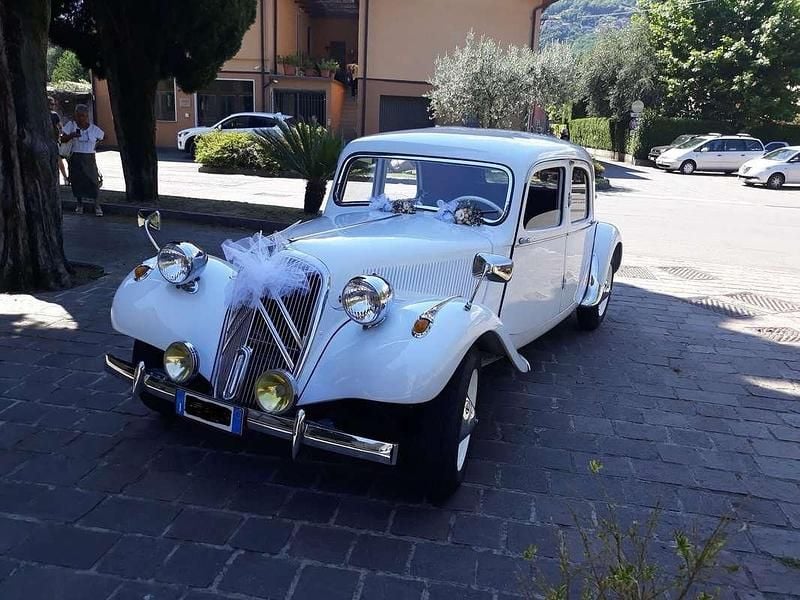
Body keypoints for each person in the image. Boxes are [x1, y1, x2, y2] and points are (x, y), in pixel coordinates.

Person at [61, 104, 104, 216]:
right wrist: (71, 135)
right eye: (78, 115)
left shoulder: (94, 129)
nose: (81, 118)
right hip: (75, 157)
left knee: (93, 181)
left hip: (89, 158)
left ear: (87, 116)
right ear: (75, 115)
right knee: (77, 181)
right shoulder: (71, 125)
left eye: (83, 116)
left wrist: (96, 145)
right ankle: (79, 204)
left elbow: (103, 137)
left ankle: (97, 205)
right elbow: (62, 139)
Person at [49, 96, 69, 185]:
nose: (53, 106)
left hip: (49, 140)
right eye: (52, 104)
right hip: (53, 140)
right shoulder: (54, 115)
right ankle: (65, 178)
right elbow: (61, 126)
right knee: (59, 160)